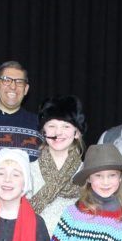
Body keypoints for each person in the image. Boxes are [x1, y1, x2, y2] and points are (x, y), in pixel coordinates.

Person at [29, 95, 86, 232]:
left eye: (66, 126)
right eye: (52, 126)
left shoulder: (86, 172)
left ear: (77, 133)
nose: (58, 132)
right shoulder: (28, 170)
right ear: (44, 132)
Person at [0, 60, 42, 171]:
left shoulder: (40, 125)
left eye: (19, 81)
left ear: (26, 89)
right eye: (6, 80)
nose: (13, 86)